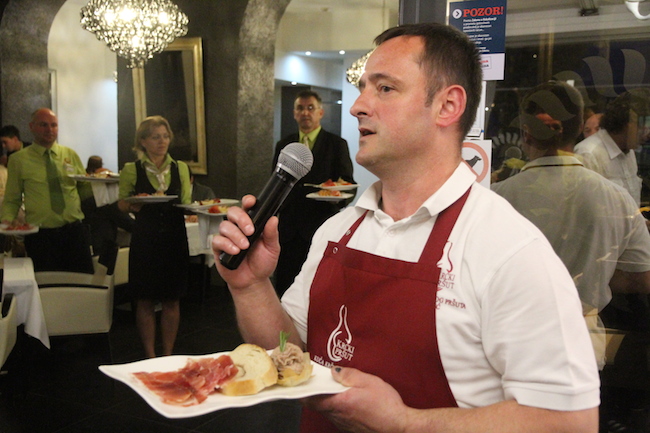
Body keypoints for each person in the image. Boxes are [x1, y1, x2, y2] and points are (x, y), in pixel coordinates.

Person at [213, 23, 599, 432]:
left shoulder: (509, 250)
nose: (358, 106)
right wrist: (251, 287)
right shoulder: (336, 232)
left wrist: (404, 423)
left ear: (447, 106)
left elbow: (570, 422)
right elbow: (289, 353)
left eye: (385, 88)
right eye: (363, 88)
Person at [492, 81, 650, 370]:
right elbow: (641, 278)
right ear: (579, 128)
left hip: (511, 346)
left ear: (525, 133)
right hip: (581, 348)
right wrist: (594, 272)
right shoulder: (615, 197)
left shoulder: (496, 200)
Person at [117, 115, 191, 358]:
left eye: (166, 136)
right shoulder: (132, 169)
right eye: (156, 137)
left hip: (174, 239)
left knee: (172, 300)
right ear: (143, 141)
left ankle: (167, 354)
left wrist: (198, 210)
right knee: (145, 300)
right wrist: (132, 204)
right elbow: (122, 204)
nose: (162, 141)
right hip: (145, 240)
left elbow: (186, 202)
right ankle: (149, 356)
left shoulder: (180, 168)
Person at [273, 90, 356, 295]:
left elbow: (348, 184)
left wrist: (335, 198)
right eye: (300, 108)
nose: (305, 113)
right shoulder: (285, 145)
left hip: (320, 226)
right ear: (294, 113)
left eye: (310, 108)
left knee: (318, 288)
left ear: (320, 112)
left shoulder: (336, 144)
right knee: (285, 288)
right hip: (288, 231)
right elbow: (275, 183)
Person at [1, 108, 93, 273]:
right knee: (48, 284)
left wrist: (106, 187)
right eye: (43, 125)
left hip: (75, 232)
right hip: (41, 236)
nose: (49, 130)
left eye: (54, 125)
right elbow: (12, 198)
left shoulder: (70, 155)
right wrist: (7, 221)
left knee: (81, 283)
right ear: (31, 127)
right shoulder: (18, 160)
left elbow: (84, 189)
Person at [574, 89, 650, 206]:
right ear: (626, 122)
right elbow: (583, 208)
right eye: (644, 125)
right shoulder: (588, 154)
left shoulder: (628, 151)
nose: (647, 133)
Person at [80, 155, 134, 273]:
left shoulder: (84, 182)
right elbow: (121, 217)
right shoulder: (101, 192)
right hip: (104, 245)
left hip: (93, 242)